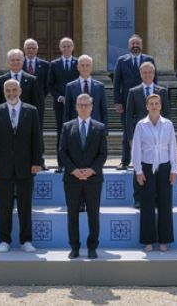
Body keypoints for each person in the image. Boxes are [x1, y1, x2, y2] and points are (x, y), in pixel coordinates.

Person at [0, 78, 44, 252]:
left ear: (20, 91)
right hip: (3, 167)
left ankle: (26, 240)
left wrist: (37, 161)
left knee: (25, 205)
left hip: (26, 166)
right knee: (4, 205)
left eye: (14, 90)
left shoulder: (31, 111)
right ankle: (4, 240)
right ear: (4, 93)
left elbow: (37, 139)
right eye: (8, 91)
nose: (11, 93)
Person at [58, 93, 107, 259]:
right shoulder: (67, 127)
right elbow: (62, 153)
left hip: (93, 179)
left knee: (93, 214)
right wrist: (74, 170)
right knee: (72, 214)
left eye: (87, 105)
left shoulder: (100, 127)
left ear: (92, 107)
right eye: (81, 105)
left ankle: (92, 246)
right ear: (76, 107)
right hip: (72, 179)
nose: (84, 107)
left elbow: (103, 154)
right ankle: (74, 247)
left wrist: (91, 170)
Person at [131, 93, 177, 252]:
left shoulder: (168, 124)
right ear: (146, 106)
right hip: (146, 166)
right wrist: (138, 170)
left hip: (164, 166)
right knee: (147, 204)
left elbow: (173, 148)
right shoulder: (140, 125)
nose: (154, 106)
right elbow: (136, 148)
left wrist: (174, 169)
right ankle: (148, 240)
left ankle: (164, 240)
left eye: (157, 103)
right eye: (151, 103)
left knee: (165, 203)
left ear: (161, 105)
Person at [125, 61, 169, 208]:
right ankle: (138, 198)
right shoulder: (133, 91)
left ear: (154, 73)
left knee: (158, 167)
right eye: (144, 72)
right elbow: (129, 116)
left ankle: (157, 198)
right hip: (141, 135)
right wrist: (131, 137)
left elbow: (167, 115)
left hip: (159, 136)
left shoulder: (162, 91)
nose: (147, 75)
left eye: (150, 72)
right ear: (140, 74)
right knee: (138, 165)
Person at [112, 34, 154, 169]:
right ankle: (125, 161)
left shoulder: (149, 59)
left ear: (141, 45)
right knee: (127, 132)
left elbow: (155, 80)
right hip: (126, 102)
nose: (135, 46)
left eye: (137, 44)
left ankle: (147, 160)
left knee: (147, 132)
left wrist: (155, 101)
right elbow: (117, 82)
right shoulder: (121, 60)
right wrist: (117, 101)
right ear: (129, 46)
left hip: (145, 101)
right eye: (133, 44)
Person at [0, 48, 46, 129]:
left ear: (23, 61)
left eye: (18, 60)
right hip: (5, 123)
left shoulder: (32, 80)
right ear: (8, 62)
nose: (15, 62)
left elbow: (38, 104)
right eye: (12, 60)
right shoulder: (0, 80)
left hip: (26, 123)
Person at [46, 37, 80, 145]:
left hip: (76, 104)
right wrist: (59, 97)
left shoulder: (79, 63)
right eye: (64, 46)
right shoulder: (54, 64)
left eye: (68, 46)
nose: (66, 48)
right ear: (60, 48)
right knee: (61, 130)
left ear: (73, 48)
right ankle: (60, 158)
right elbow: (50, 84)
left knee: (75, 130)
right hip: (60, 104)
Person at [64, 55, 108, 125]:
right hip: (76, 128)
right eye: (82, 65)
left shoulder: (100, 87)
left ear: (91, 67)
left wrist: (104, 131)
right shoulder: (70, 87)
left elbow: (104, 111)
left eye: (87, 65)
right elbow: (67, 112)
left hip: (96, 128)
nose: (85, 68)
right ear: (78, 67)